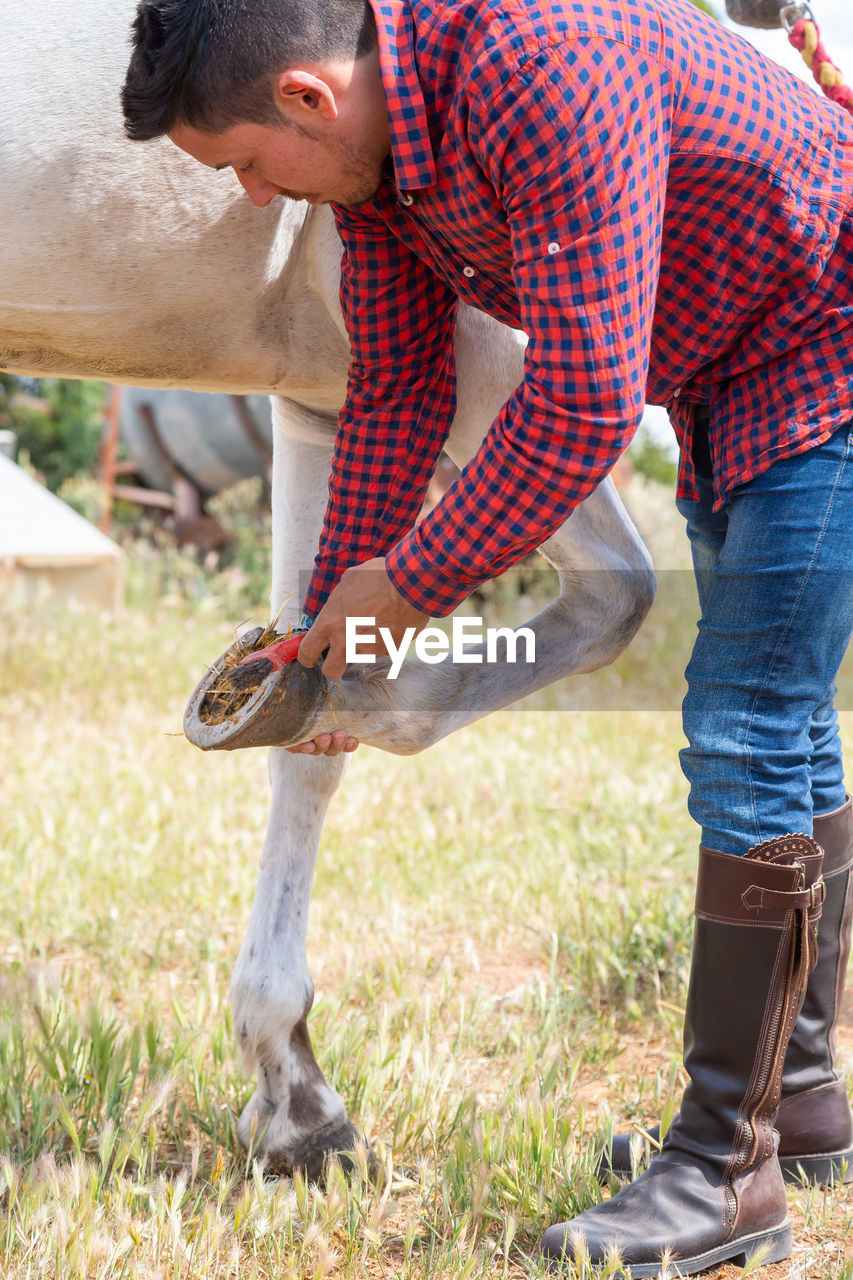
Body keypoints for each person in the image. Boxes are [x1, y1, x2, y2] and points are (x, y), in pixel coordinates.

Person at [122, 0, 853, 1271]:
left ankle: (720, 1178)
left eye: (242, 162)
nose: (248, 198)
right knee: (786, 728)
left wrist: (406, 588)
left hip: (827, 346)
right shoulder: (381, 171)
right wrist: (321, 625)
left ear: (306, 96)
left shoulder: (540, 61)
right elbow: (400, 391)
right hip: (743, 369)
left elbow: (579, 403)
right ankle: (795, 1100)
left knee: (745, 724)